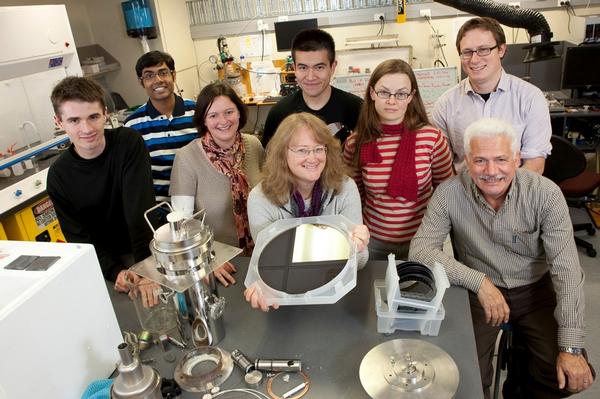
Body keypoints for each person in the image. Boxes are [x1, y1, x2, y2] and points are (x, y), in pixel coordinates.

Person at [409, 117, 594, 399]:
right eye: (480, 160)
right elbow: (420, 250)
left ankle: (520, 385)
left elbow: (567, 272)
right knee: (459, 377)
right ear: (467, 161)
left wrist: (571, 348)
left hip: (535, 290)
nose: (491, 171)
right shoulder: (448, 193)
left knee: (566, 376)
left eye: (501, 159)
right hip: (477, 293)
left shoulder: (545, 194)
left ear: (517, 158)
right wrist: (478, 281)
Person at [245, 112, 370, 311]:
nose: (312, 158)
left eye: (319, 149)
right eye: (302, 150)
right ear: (282, 153)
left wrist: (359, 246)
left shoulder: (345, 188)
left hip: (336, 299)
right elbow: (270, 268)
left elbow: (360, 262)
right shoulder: (260, 199)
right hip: (286, 303)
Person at [47, 76, 157, 299]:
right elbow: (78, 237)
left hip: (146, 249)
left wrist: (146, 269)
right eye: (74, 120)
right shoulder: (59, 175)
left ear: (105, 113)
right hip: (105, 260)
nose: (86, 128)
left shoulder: (128, 143)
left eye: (93, 117)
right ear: (59, 122)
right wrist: (114, 271)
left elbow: (139, 211)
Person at [343, 59, 453, 260]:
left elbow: (446, 193)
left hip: (423, 242)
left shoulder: (432, 138)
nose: (392, 101)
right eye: (384, 92)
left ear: (411, 96)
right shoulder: (355, 143)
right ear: (372, 93)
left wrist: (434, 236)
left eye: (401, 94)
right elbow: (354, 195)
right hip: (372, 242)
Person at [169, 81, 264, 287]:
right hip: (220, 266)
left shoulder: (255, 145)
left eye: (229, 112)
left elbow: (271, 197)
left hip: (261, 255)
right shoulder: (186, 158)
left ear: (239, 113)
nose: (223, 121)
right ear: (203, 120)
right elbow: (181, 227)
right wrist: (207, 260)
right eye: (213, 115)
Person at [432, 17, 551, 174]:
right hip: (463, 194)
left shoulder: (531, 98)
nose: (474, 59)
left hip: (515, 194)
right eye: (467, 52)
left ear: (501, 50)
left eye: (483, 50)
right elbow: (442, 167)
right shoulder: (445, 104)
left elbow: (534, 164)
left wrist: (508, 196)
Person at [261, 28, 363, 147]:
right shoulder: (279, 114)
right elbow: (271, 161)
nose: (310, 77)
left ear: (333, 67)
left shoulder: (357, 109)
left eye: (319, 67)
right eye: (303, 68)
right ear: (294, 68)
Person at [124, 51, 198, 201]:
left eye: (163, 73)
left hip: (200, 201)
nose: (157, 80)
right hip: (159, 207)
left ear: (174, 75)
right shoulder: (132, 125)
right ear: (141, 82)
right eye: (149, 75)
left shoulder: (198, 112)